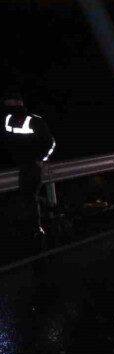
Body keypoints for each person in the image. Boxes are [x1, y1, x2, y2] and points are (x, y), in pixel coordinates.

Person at [2, 86, 56, 239]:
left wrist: (42, 160)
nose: (8, 105)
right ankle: (47, 211)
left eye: (10, 102)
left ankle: (36, 229)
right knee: (27, 196)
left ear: (18, 102)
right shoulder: (8, 119)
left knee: (29, 196)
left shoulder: (34, 120)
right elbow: (7, 141)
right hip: (16, 164)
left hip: (31, 164)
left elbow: (50, 142)